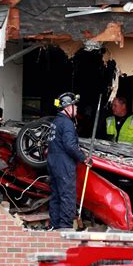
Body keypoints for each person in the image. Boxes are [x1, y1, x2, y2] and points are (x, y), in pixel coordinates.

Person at [47, 92, 88, 229]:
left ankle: (55, 226)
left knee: (56, 197)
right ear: (67, 108)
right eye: (74, 106)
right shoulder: (67, 123)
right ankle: (65, 228)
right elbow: (70, 146)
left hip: (53, 164)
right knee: (67, 196)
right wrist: (84, 158)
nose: (76, 109)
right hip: (64, 165)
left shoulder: (56, 122)